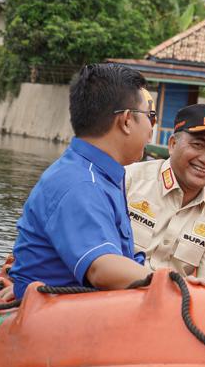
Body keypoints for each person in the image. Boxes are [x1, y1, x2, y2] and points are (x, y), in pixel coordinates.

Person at [8, 64, 156, 300]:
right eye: (150, 117)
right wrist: (170, 283)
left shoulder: (99, 175)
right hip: (56, 320)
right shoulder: (82, 183)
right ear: (127, 121)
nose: (151, 130)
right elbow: (102, 268)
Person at [125, 103, 205, 286]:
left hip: (171, 308)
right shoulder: (128, 179)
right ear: (173, 144)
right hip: (110, 298)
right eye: (198, 144)